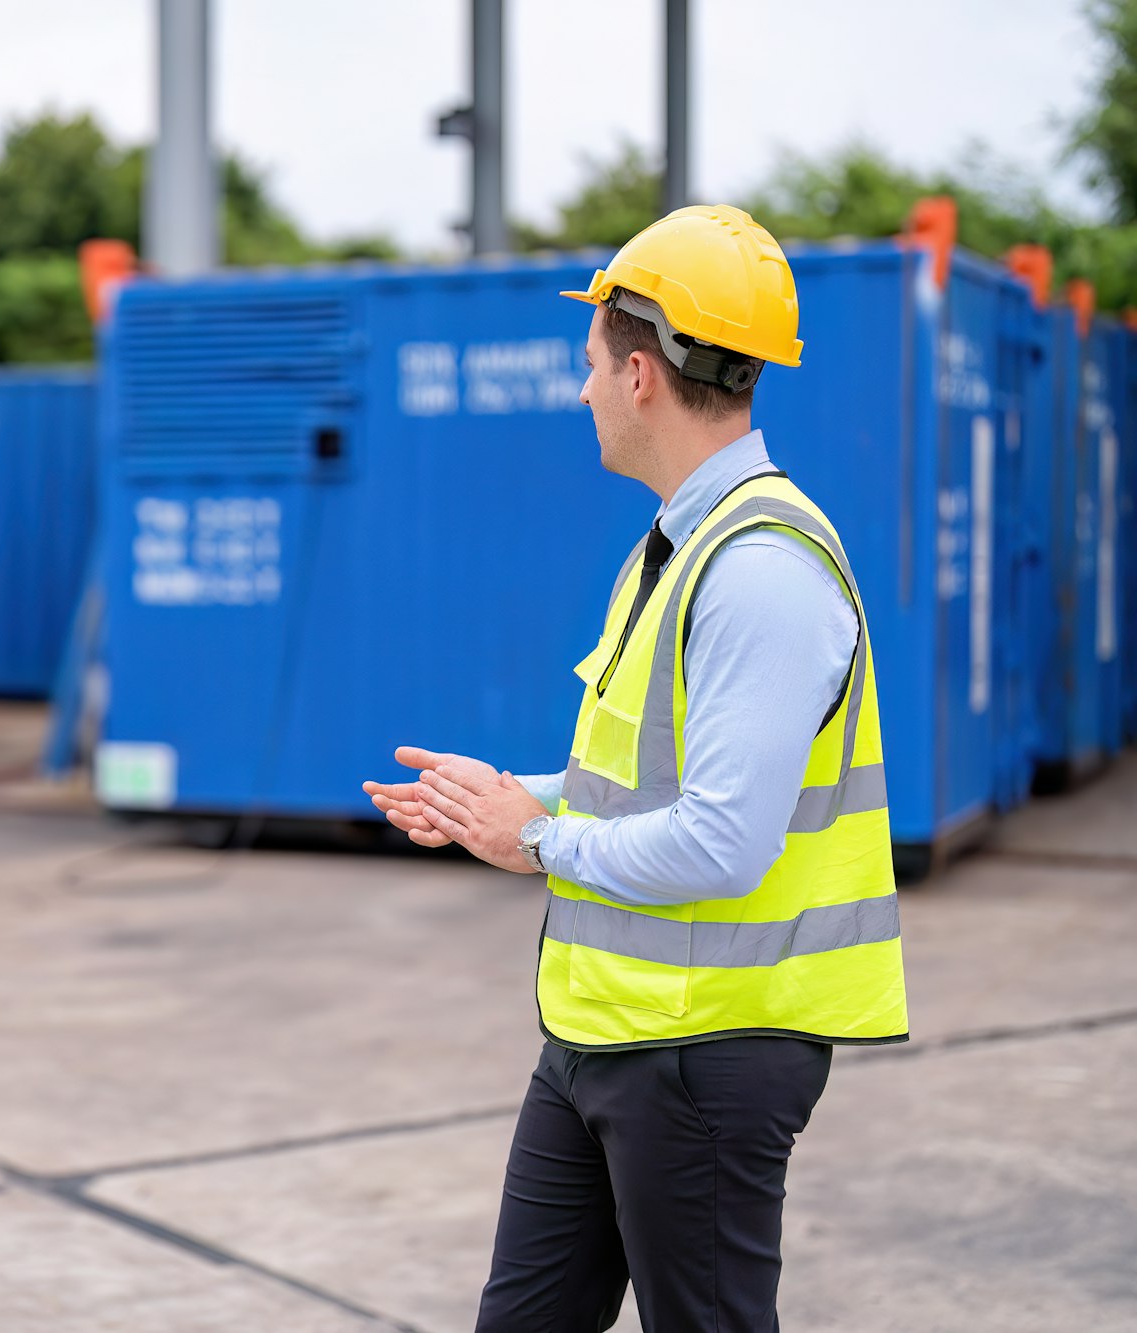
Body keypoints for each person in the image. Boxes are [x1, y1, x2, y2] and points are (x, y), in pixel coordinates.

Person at [363, 204, 909, 1332]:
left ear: (642, 374)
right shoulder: (676, 541)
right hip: (600, 1033)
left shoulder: (759, 569)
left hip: (704, 1053)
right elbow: (644, 776)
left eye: (589, 366)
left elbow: (722, 838)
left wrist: (537, 841)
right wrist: (502, 802)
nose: (581, 393)